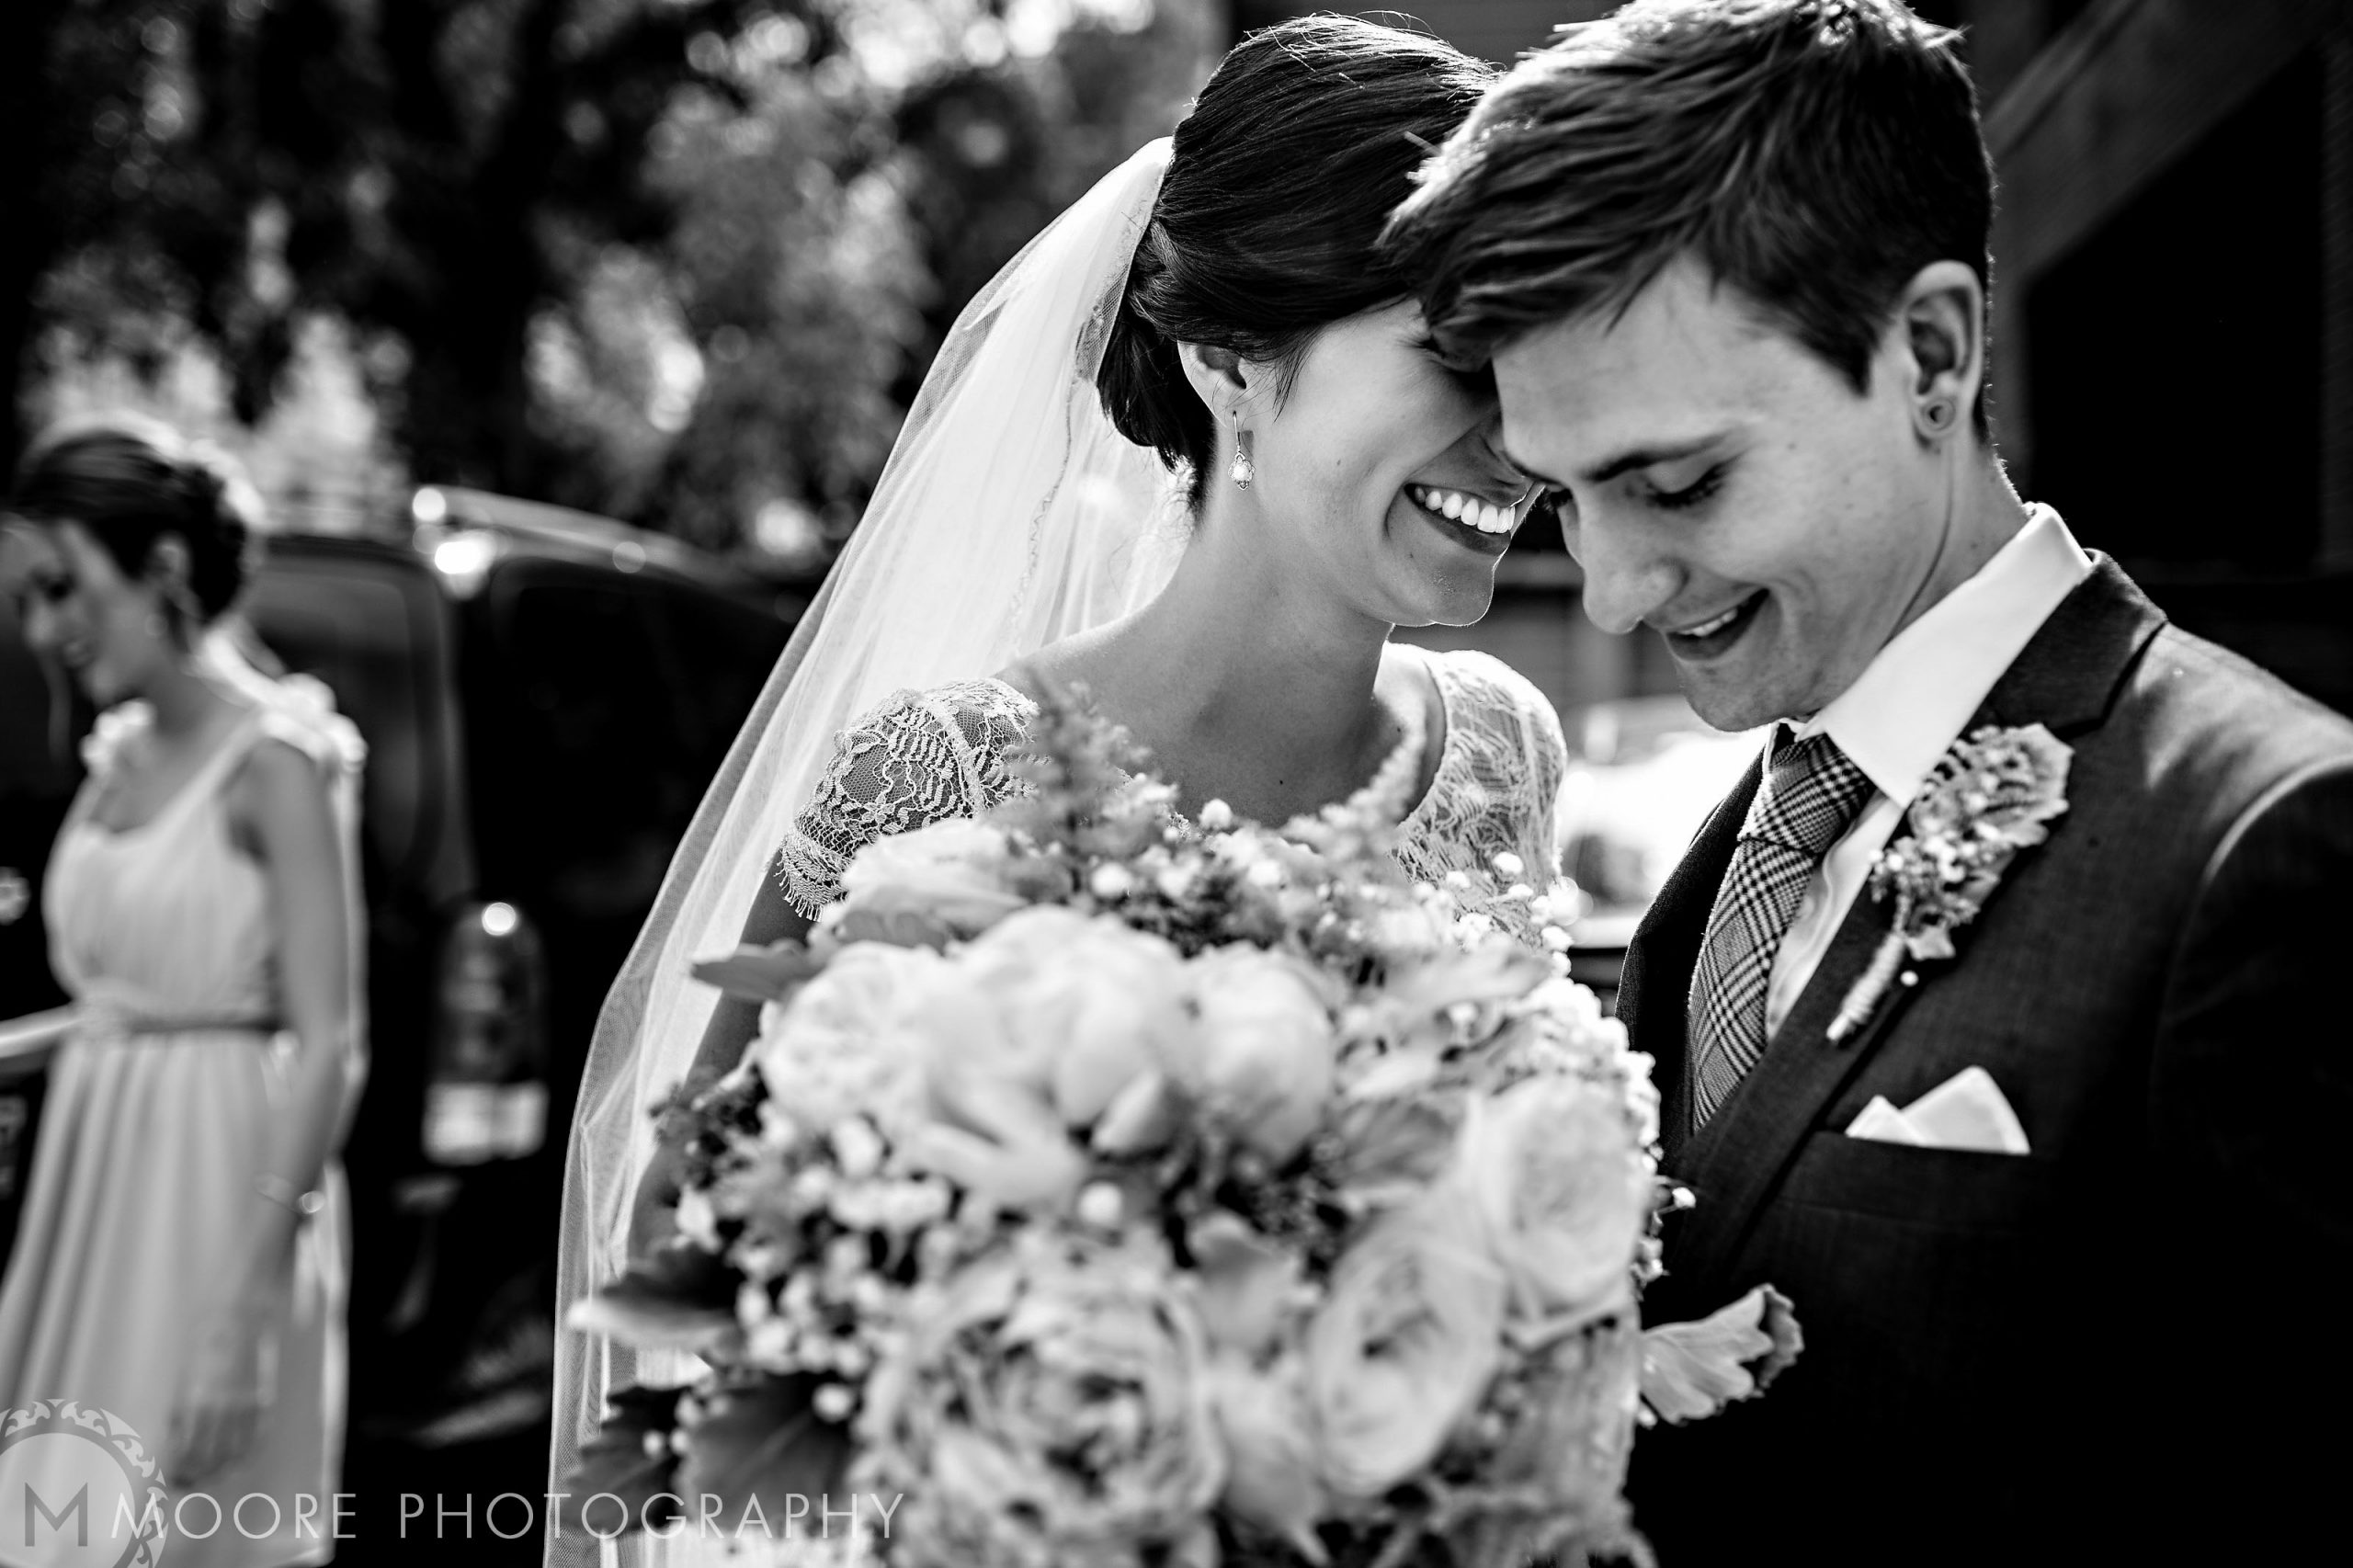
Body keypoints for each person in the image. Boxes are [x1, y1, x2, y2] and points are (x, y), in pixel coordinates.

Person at [552, 17, 1570, 1564]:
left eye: (1535, 359)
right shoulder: (940, 778)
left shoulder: (1502, 753)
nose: (1524, 439)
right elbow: (689, 1255)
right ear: (1232, 360)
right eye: (1453, 357)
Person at [1386, 0, 2353, 1562]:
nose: (1616, 593)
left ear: (1931, 356)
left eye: (1679, 482)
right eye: (1563, 501)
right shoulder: (1741, 846)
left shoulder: (2269, 840)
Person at [0, 417, 367, 1565]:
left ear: (161, 566)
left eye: (62, 587)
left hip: (219, 1203)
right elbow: (125, 1003)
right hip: (91, 1192)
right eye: (27, 598)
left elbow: (332, 1040)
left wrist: (245, 1308)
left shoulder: (278, 759)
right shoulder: (117, 752)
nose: (43, 629)